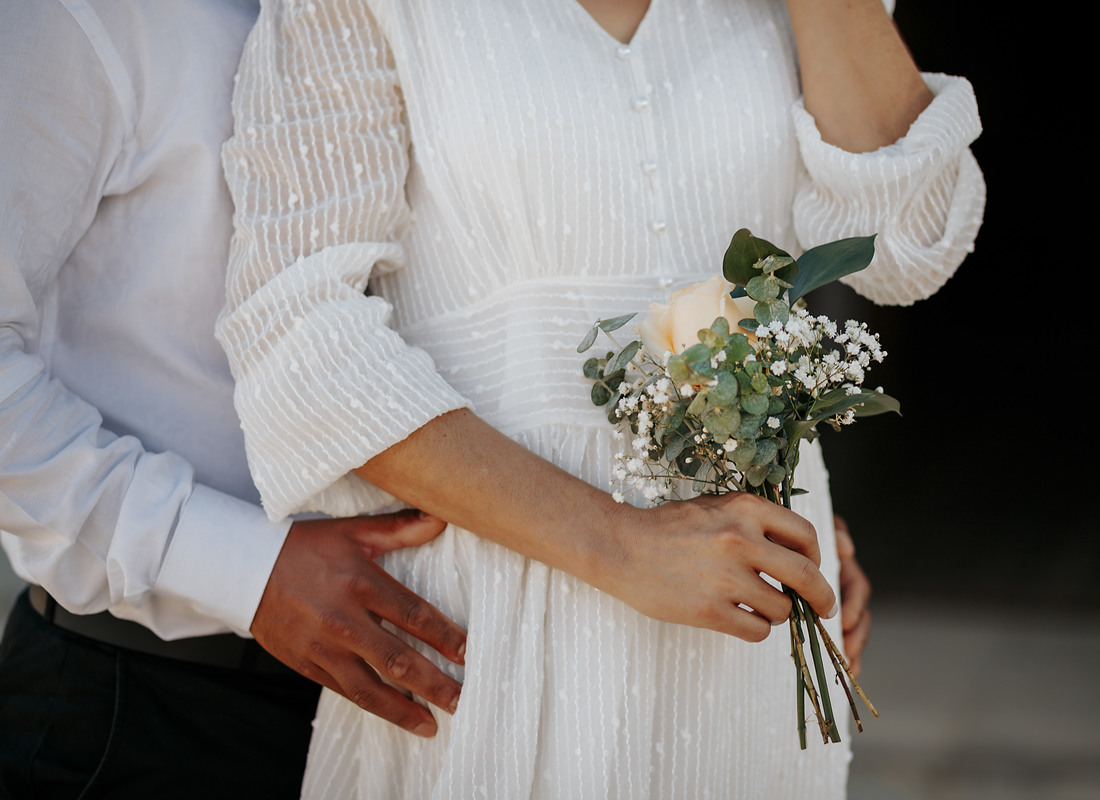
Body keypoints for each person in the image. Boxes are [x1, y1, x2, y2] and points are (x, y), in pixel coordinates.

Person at [219, 0, 982, 796]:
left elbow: (907, 247)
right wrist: (621, 545)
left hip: (746, 613)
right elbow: (299, 332)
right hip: (492, 612)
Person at [0, 2, 466, 796]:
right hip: (141, 709)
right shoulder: (81, 21)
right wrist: (245, 570)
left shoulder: (451, 25)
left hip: (409, 723)